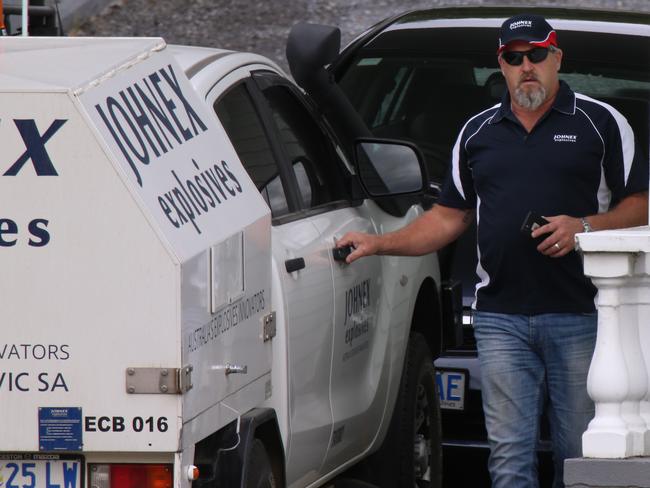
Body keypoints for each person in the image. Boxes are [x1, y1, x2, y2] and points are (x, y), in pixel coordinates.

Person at [336, 13, 648, 488]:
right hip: (498, 317)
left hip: (584, 316)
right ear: (500, 66)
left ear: (557, 58)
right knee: (508, 460)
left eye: (537, 55)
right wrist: (379, 242)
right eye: (513, 57)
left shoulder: (600, 123)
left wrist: (583, 226)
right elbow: (449, 217)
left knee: (578, 454)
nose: (526, 66)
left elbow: (640, 205)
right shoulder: (477, 132)